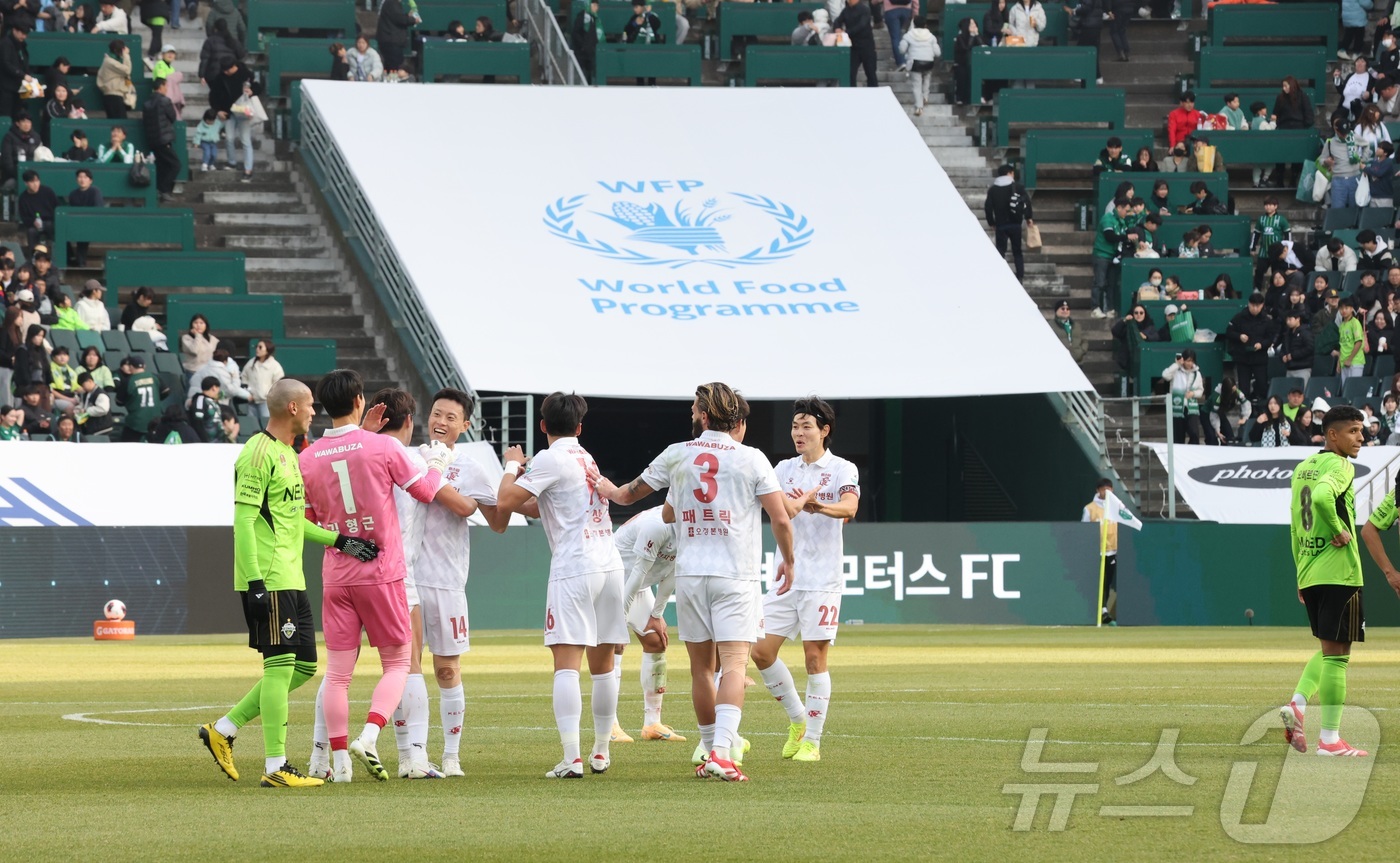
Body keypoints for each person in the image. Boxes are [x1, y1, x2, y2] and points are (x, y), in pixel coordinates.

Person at [592, 382, 797, 782]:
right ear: (735, 418)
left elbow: (635, 498)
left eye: (693, 411)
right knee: (733, 664)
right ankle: (721, 752)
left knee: (701, 670)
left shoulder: (678, 454)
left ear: (704, 416)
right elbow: (781, 517)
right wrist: (789, 561)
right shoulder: (752, 458)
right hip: (733, 574)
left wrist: (607, 489)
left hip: (689, 576)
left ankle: (708, 749)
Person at [197, 379, 379, 789]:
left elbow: (293, 521)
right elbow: (244, 521)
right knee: (279, 667)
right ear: (293, 408)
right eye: (310, 405)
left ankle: (224, 729)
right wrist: (255, 582)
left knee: (305, 666)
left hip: (291, 577)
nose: (315, 411)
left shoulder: (288, 455)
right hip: (269, 578)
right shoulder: (257, 453)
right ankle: (276, 765)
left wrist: (341, 541)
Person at [298, 369, 453, 783]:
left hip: (337, 575)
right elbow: (425, 491)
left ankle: (339, 764)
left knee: (338, 673)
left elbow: (307, 522)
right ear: (359, 400)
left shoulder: (306, 459)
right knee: (398, 662)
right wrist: (437, 463)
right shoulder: (383, 445)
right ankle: (369, 736)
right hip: (382, 573)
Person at [489, 392, 627, 779]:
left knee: (566, 666)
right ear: (579, 428)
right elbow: (541, 504)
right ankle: (601, 752)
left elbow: (505, 499)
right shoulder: (585, 457)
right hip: (609, 564)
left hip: (574, 567)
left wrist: (512, 465)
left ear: (543, 425)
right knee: (603, 667)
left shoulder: (549, 459)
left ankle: (572, 758)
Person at [398, 388, 505, 776]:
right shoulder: (408, 458)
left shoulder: (470, 468)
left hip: (447, 582)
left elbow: (494, 520)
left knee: (447, 670)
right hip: (405, 579)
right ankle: (409, 756)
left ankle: (451, 756)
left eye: (450, 417)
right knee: (404, 669)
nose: (440, 422)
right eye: (436, 414)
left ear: (465, 425)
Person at [749, 397, 857, 763]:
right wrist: (793, 504)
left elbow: (850, 507)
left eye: (806, 426)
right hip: (786, 576)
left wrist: (818, 505)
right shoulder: (783, 469)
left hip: (823, 579)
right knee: (760, 651)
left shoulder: (842, 468)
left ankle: (812, 741)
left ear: (824, 431)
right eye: (795, 426)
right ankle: (798, 720)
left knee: (814, 658)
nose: (798, 433)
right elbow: (775, 507)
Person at [1281, 406, 1370, 757]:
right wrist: (1339, 529)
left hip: (1310, 570)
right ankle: (1330, 740)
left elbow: (1294, 525)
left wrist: (1300, 573)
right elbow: (1321, 497)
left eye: (1361, 431)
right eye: (1353, 431)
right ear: (1332, 435)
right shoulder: (1341, 466)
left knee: (1329, 650)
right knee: (1338, 658)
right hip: (1339, 572)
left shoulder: (1303, 467)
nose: (1361, 437)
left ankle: (1299, 703)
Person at [984, 164, 1033, 283]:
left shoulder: (993, 190)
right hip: (1015, 224)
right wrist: (1028, 217)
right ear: (1010, 173)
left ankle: (999, 275)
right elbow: (1027, 202)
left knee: (1000, 252)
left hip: (1001, 225)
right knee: (1017, 252)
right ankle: (1020, 276)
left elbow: (988, 207)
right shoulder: (1018, 187)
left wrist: (991, 222)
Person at [1081, 479, 1119, 624]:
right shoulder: (1090, 508)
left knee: (1107, 582)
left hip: (1112, 550)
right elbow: (1084, 529)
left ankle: (1103, 610)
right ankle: (1101, 610)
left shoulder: (1117, 507)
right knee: (1098, 581)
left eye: (1109, 489)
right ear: (1098, 491)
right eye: (1104, 489)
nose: (1106, 492)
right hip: (1097, 551)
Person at [1226, 292, 1273, 403]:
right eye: (1252, 305)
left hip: (1260, 358)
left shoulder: (1266, 320)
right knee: (1244, 387)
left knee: (1262, 385)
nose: (1255, 308)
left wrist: (1261, 344)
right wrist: (1239, 336)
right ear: (1248, 304)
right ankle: (1245, 407)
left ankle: (1260, 406)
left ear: (1262, 305)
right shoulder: (1239, 317)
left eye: (1258, 306)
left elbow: (1270, 338)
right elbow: (1229, 332)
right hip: (1243, 357)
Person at [1090, 195, 1130, 318]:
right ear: (1119, 208)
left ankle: (1109, 309)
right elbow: (1109, 236)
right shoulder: (1108, 218)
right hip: (1101, 255)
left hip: (1113, 256)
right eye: (1126, 210)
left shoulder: (1121, 221)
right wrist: (1126, 237)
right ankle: (1095, 308)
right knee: (1100, 282)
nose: (1127, 213)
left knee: (1111, 284)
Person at [142, 76, 180, 201]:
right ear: (161, 87)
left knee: (162, 165)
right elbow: (172, 117)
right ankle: (163, 190)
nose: (167, 88)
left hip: (152, 140)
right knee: (175, 165)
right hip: (164, 139)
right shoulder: (165, 101)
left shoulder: (146, 103)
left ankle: (159, 190)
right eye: (165, 86)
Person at [115, 354, 164, 441]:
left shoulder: (129, 381)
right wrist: (157, 398)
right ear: (144, 366)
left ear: (131, 367)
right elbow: (166, 391)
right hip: (155, 421)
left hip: (136, 422)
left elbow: (119, 402)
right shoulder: (154, 376)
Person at [1162, 348, 1204, 443]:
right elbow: (1165, 375)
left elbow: (1200, 390)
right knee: (1178, 437)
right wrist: (1177, 364)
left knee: (1194, 433)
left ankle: (1191, 451)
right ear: (1183, 360)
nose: (1190, 363)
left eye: (1192, 361)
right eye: (1188, 361)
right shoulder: (1176, 371)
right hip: (1177, 407)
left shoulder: (1197, 374)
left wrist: (1193, 393)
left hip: (1191, 408)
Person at [833, 0, 877, 89]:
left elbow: (862, 25)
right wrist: (837, 28)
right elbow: (837, 21)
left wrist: (846, 32)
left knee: (870, 72)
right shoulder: (846, 10)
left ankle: (873, 92)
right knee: (850, 73)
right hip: (853, 46)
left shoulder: (865, 9)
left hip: (866, 46)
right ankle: (852, 92)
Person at [899, 16, 938, 115]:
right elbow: (938, 53)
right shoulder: (931, 36)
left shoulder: (908, 35)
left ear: (914, 24)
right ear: (926, 25)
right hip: (929, 62)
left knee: (917, 85)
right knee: (927, 78)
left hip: (915, 63)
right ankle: (925, 96)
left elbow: (902, 50)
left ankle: (919, 107)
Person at [240, 339, 283, 422]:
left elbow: (278, 384)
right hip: (251, 401)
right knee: (251, 424)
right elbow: (244, 377)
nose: (257, 349)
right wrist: (247, 392)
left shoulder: (275, 366)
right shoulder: (251, 363)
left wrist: (268, 395)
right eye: (257, 347)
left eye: (260, 347)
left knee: (265, 423)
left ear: (268, 349)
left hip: (266, 402)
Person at [16, 170, 57, 253]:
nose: (35, 184)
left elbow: (57, 208)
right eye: (32, 182)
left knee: (50, 226)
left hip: (50, 221)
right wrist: (33, 222)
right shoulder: (23, 198)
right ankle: (33, 255)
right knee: (31, 232)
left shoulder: (48, 191)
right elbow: (24, 217)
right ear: (26, 183)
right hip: (34, 224)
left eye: (37, 181)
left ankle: (54, 252)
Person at [0, 21, 32, 121]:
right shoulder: (5, 43)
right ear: (14, 30)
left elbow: (24, 62)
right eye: (22, 33)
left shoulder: (22, 45)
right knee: (5, 115)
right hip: (6, 87)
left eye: (25, 34)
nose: (24, 36)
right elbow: (6, 63)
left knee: (17, 116)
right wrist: (22, 75)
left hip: (18, 87)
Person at [1, 111, 40, 191]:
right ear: (17, 123)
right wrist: (19, 175)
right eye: (24, 122)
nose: (26, 124)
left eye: (29, 122)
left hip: (33, 175)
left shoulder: (36, 137)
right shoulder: (9, 137)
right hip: (14, 176)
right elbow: (7, 161)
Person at [377, 0, 415, 81]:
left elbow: (396, 17)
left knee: (390, 68)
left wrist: (407, 16)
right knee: (394, 68)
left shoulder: (390, 3)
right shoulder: (392, 3)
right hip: (391, 42)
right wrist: (413, 20)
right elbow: (399, 19)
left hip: (389, 41)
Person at [1276, 309, 1315, 386]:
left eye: (1290, 319)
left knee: (1302, 391)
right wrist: (1282, 356)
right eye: (1287, 319)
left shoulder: (1305, 332)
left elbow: (1309, 348)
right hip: (1290, 368)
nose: (1288, 322)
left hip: (1303, 368)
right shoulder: (1287, 334)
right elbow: (1283, 348)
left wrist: (1293, 355)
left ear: (1298, 319)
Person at [952, 18, 986, 106]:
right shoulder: (960, 37)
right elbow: (966, 48)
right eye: (971, 24)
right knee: (962, 74)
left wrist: (977, 35)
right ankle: (960, 98)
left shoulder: (977, 35)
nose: (974, 26)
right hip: (962, 63)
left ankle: (979, 96)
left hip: (976, 63)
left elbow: (982, 45)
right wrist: (971, 36)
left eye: (974, 24)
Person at [96, 39, 132, 120]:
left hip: (118, 96)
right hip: (113, 96)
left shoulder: (115, 61)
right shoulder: (109, 62)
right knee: (119, 122)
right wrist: (126, 55)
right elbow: (127, 70)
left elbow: (127, 75)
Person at [1337, 296, 1368, 380]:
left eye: (1346, 308)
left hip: (1355, 362)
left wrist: (1350, 359)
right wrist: (1339, 363)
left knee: (1353, 387)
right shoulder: (1342, 325)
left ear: (1351, 309)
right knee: (1345, 388)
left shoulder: (1355, 323)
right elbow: (1342, 345)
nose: (1343, 310)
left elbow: (1359, 342)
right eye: (1341, 308)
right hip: (1344, 362)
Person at [1050, 298, 1088, 364]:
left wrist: (1081, 351)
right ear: (1056, 310)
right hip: (1058, 362)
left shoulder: (1076, 325)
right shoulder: (1050, 326)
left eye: (1067, 309)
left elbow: (1084, 340)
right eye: (1062, 308)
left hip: (1077, 362)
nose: (1065, 311)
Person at [571, 0, 600, 85]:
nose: (596, 8)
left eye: (597, 6)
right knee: (581, 74)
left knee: (590, 75)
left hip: (591, 51)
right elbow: (576, 33)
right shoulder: (581, 17)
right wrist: (583, 46)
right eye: (594, 5)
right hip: (582, 53)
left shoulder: (595, 18)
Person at [74, 371, 112, 436]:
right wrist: (78, 410)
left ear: (90, 381)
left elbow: (103, 409)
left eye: (83, 385)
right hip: (91, 428)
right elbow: (82, 405)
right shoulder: (86, 394)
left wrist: (86, 411)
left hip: (102, 429)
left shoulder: (101, 394)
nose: (83, 388)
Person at [179, 313, 216, 379]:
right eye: (195, 323)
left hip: (209, 371)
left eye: (201, 323)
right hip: (193, 371)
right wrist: (198, 335)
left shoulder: (212, 338)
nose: (198, 325)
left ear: (206, 325)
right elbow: (195, 350)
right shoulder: (186, 338)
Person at [187, 375, 221, 442]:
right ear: (214, 388)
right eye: (218, 388)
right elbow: (198, 422)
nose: (218, 391)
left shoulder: (213, 402)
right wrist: (204, 440)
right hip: (205, 442)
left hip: (217, 441)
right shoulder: (200, 400)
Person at [1364, 140, 1397, 209]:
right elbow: (1372, 174)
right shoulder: (1374, 162)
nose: (1377, 149)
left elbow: (1379, 173)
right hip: (1373, 196)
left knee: (1385, 216)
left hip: (1385, 197)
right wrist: (1367, 172)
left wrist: (1365, 168)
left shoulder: (1388, 162)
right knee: (1373, 215)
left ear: (1385, 153)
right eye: (1378, 147)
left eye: (1380, 148)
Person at [883, 0, 914, 69]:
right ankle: (899, 55)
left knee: (895, 37)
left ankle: (901, 62)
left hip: (891, 11)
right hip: (906, 11)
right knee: (900, 34)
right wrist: (915, 12)